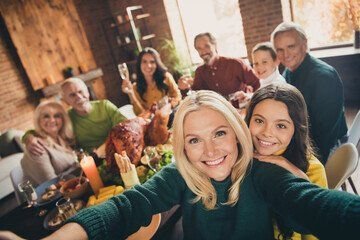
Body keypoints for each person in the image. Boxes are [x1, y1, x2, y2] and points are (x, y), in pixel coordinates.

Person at [3, 90, 360, 240]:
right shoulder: (182, 172)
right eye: (193, 140)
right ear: (182, 147)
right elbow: (130, 204)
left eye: (220, 133)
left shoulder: (264, 171)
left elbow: (316, 206)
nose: (209, 150)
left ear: (237, 133)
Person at [245, 84, 327, 240]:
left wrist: (300, 180)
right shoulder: (239, 156)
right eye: (259, 121)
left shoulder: (312, 169)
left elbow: (313, 234)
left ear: (296, 129)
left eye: (281, 125)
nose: (267, 133)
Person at [271, 22, 348, 163]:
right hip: (305, 136)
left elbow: (325, 134)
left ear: (304, 44)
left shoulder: (324, 77)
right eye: (279, 49)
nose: (285, 54)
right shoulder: (288, 71)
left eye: (291, 46)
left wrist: (299, 161)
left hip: (330, 145)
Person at [24, 77, 127, 154]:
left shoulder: (105, 106)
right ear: (65, 100)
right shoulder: (67, 117)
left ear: (87, 92)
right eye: (72, 95)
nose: (78, 97)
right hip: (94, 160)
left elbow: (125, 125)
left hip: (120, 149)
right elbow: (42, 129)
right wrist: (28, 137)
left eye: (80, 92)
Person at [177, 32, 260, 98]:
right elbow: (195, 97)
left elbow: (257, 84)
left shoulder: (235, 63)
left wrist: (248, 96)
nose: (203, 51)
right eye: (199, 48)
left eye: (207, 46)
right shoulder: (200, 71)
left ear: (215, 45)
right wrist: (184, 89)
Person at [21, 101, 77, 185]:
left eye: (57, 116)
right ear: (38, 120)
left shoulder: (62, 138)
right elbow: (51, 184)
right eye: (46, 116)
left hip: (73, 182)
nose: (52, 120)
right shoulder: (36, 147)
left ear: (63, 119)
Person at [121, 47, 181, 116]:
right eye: (144, 62)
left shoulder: (166, 77)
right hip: (153, 123)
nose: (148, 66)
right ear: (139, 64)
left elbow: (178, 96)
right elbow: (140, 114)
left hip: (171, 115)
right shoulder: (135, 87)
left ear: (157, 64)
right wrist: (131, 94)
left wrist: (169, 105)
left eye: (152, 62)